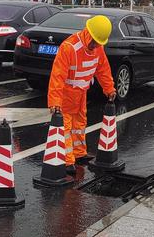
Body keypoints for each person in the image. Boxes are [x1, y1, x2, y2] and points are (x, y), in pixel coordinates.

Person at [47, 14, 116, 174]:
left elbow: (103, 69)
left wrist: (109, 88)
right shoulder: (69, 47)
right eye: (94, 42)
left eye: (99, 43)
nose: (95, 45)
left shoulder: (98, 48)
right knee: (65, 127)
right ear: (88, 33)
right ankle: (67, 161)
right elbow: (57, 76)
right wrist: (55, 101)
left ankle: (78, 154)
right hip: (66, 95)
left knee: (79, 125)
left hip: (81, 94)